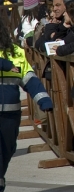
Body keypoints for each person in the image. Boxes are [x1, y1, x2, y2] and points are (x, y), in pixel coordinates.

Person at [0, 20, 53, 192]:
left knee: (6, 154)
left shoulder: (15, 53)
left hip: (9, 117)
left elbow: (29, 78)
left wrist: (43, 100)